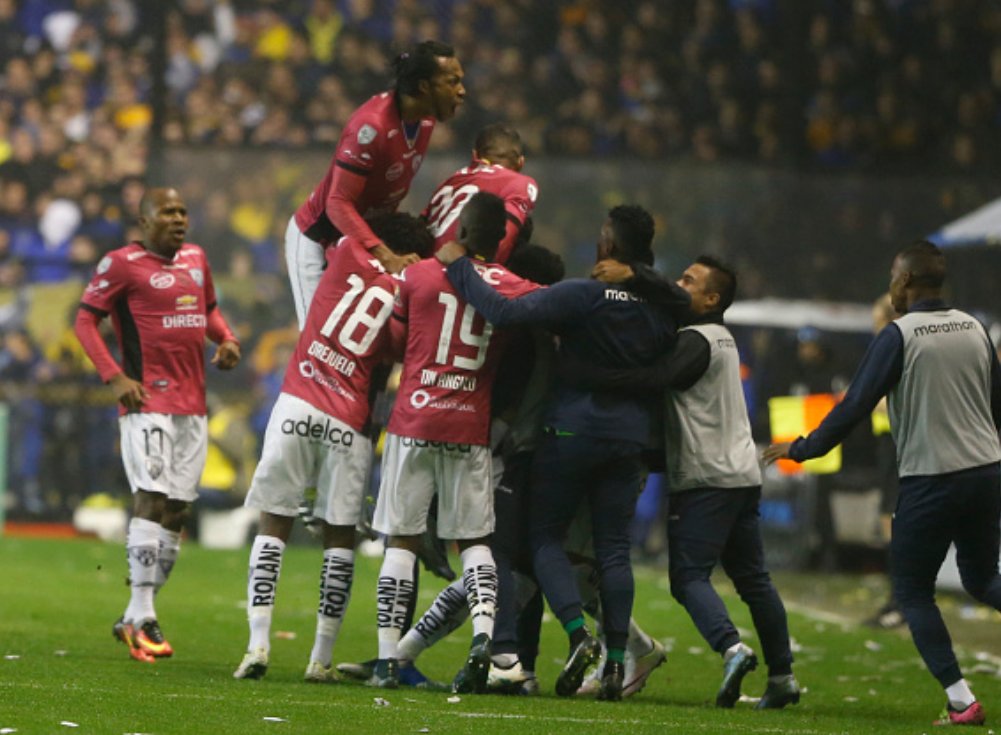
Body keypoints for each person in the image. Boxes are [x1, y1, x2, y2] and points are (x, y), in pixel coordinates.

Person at [437, 205, 688, 701]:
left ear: (609, 247)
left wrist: (459, 266)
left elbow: (505, 311)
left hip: (571, 433)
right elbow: (684, 303)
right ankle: (617, 663)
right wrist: (641, 276)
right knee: (615, 550)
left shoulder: (582, 295)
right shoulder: (663, 310)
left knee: (546, 538)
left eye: (602, 235)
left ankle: (577, 635)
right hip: (629, 443)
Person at [763, 241, 1001, 727]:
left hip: (932, 478)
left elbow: (854, 406)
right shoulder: (977, 328)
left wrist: (803, 447)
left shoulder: (900, 335)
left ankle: (961, 700)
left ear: (908, 281)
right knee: (981, 579)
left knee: (912, 591)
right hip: (986, 474)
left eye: (894, 277)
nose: (890, 286)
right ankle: (960, 698)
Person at [578, 255, 799, 708]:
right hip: (740, 473)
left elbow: (656, 379)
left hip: (707, 478)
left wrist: (598, 375)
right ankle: (783, 678)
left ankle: (732, 649)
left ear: (712, 299)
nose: (680, 286)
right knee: (754, 580)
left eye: (689, 281)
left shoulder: (698, 339)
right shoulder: (722, 340)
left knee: (688, 577)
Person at [232, 212, 433, 683]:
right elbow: (397, 354)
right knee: (339, 534)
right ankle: (320, 658)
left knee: (273, 519)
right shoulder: (408, 299)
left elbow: (322, 230)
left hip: (299, 401)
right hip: (349, 418)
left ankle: (257, 644)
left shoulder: (345, 252)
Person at [369, 192, 541, 692]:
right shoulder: (510, 285)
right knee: (475, 543)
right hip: (470, 427)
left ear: (460, 229)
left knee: (400, 539)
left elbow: (392, 341)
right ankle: (484, 638)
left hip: (414, 421)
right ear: (499, 239)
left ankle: (386, 661)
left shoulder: (418, 275)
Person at [73, 187, 241, 663]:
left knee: (177, 511)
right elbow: (86, 322)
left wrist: (226, 338)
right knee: (151, 497)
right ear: (145, 221)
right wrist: (115, 376)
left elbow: (206, 310)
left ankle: (133, 613)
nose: (179, 218)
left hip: (193, 405)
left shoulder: (196, 258)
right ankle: (145, 616)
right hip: (147, 400)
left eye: (183, 211)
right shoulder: (120, 264)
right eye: (168, 212)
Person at [286, 39, 465, 326]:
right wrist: (386, 255)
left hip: (359, 242)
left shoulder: (426, 122)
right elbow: (337, 203)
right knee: (319, 340)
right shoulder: (370, 128)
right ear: (424, 87)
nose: (461, 91)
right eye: (452, 81)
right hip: (317, 239)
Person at [423, 122, 538, 265]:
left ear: (475, 155)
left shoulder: (451, 180)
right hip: (460, 274)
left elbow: (419, 228)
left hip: (422, 269)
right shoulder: (521, 183)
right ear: (521, 162)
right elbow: (505, 237)